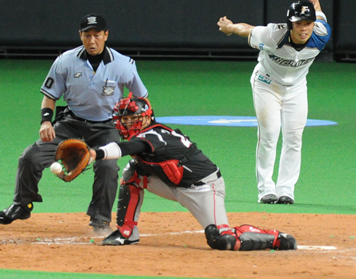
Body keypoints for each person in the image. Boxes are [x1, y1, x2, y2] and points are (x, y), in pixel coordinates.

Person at [0, 14, 149, 234]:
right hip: (70, 123)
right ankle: (22, 204)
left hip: (107, 127)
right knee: (30, 157)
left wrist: (138, 129)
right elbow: (50, 95)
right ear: (81, 36)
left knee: (107, 167)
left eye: (97, 35)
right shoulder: (65, 61)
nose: (92, 40)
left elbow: (141, 100)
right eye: (87, 35)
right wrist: (45, 121)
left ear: (106, 35)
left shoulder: (124, 64)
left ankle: (100, 219)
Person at [90, 95, 297, 251]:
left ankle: (276, 237)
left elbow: (125, 148)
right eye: (124, 120)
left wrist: (94, 154)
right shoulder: (145, 136)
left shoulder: (157, 134)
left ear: (146, 118)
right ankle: (127, 232)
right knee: (132, 172)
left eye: (132, 118)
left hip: (205, 188)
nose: (127, 124)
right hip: (172, 184)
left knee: (222, 239)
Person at [217, 0, 332, 205]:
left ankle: (286, 189)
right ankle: (266, 189)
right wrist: (231, 27)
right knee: (269, 134)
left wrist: (318, 7)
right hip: (266, 84)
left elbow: (321, 19)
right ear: (291, 24)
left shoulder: (321, 34)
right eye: (299, 23)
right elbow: (249, 30)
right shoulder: (273, 35)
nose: (304, 28)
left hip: (296, 88)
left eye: (308, 23)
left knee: (294, 137)